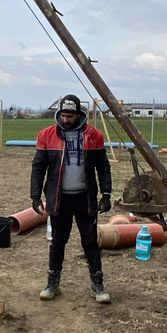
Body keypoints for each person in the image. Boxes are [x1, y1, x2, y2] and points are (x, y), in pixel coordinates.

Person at [30, 94, 113, 304]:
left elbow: (103, 166)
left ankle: (98, 286)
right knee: (57, 242)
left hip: (85, 199)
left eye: (70, 116)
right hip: (59, 199)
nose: (65, 119)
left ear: (78, 114)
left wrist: (106, 193)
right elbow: (38, 166)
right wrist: (35, 194)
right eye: (63, 115)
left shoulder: (95, 136)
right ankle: (52, 284)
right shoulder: (46, 135)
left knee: (90, 242)